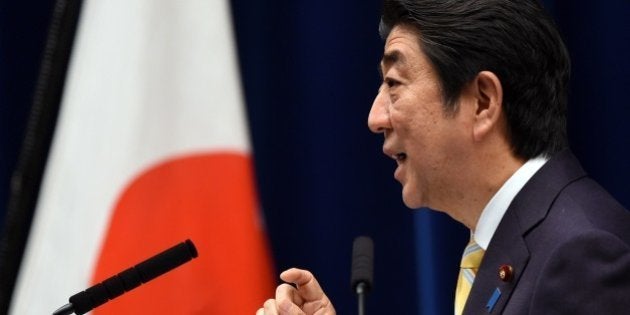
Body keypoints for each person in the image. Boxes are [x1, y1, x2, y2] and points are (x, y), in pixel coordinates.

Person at [256, 0, 630, 314]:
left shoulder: (582, 257)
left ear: (483, 101)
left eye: (394, 84)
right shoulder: (510, 242)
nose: (374, 118)